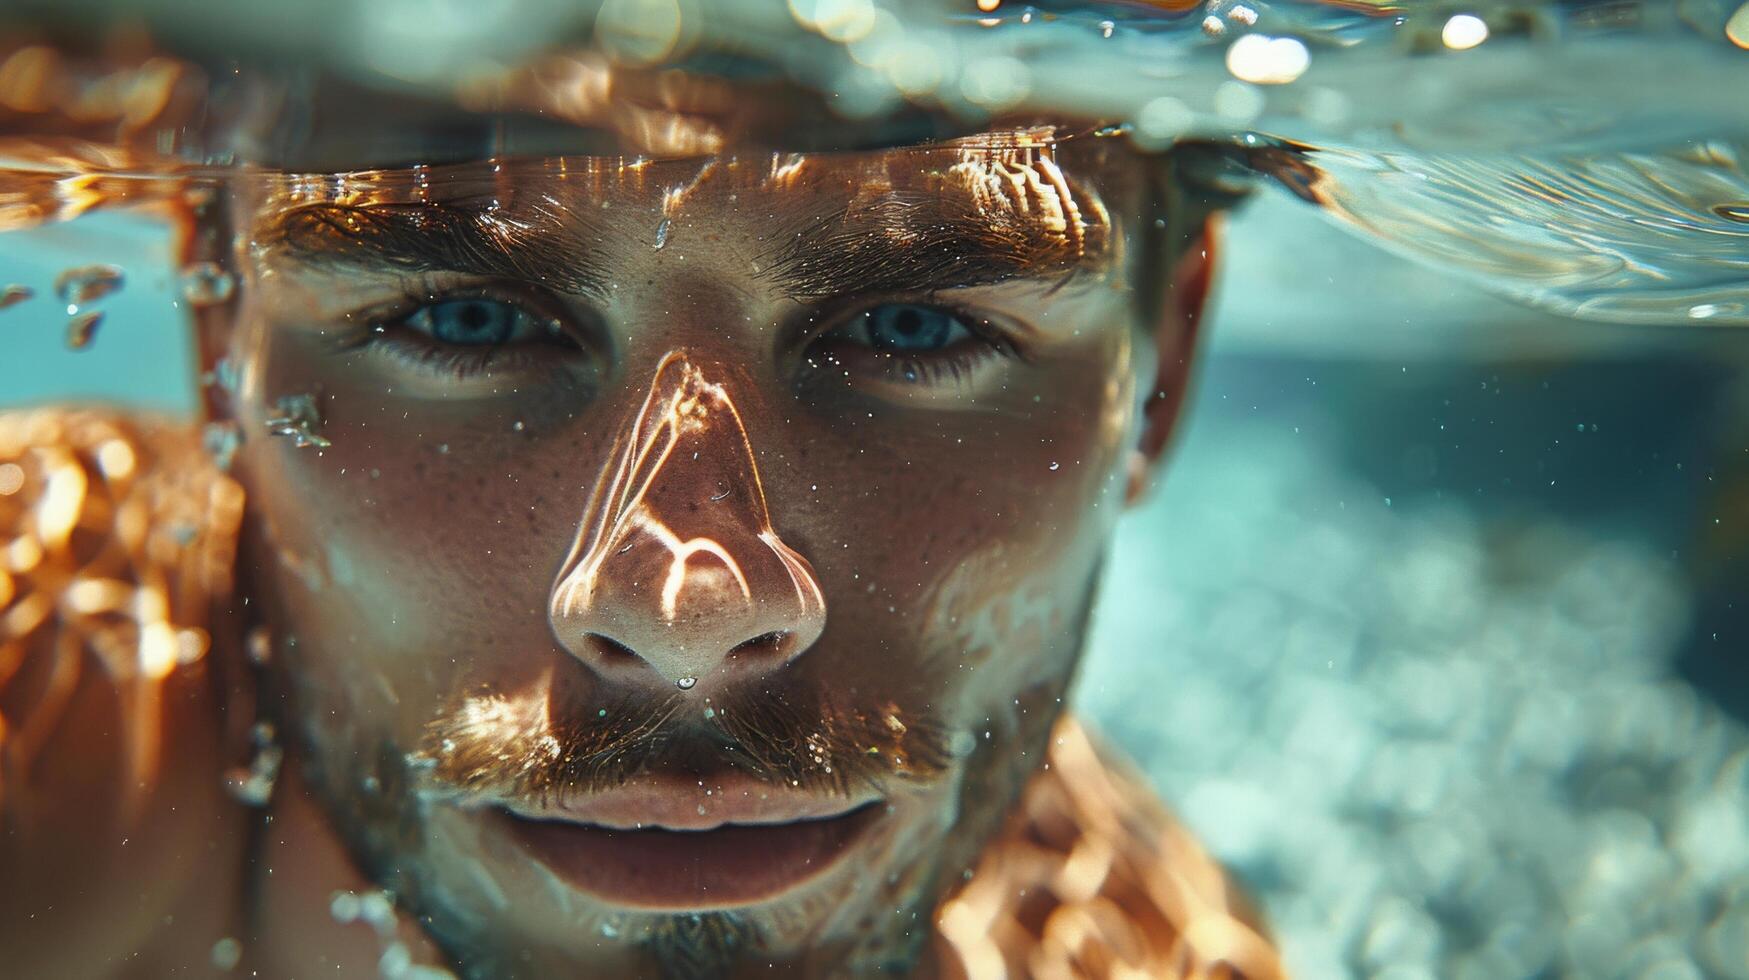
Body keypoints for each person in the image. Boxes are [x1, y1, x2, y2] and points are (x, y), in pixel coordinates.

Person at [0, 47, 1284, 979]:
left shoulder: (1135, 951)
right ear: (223, 339)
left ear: (1157, 368)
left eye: (914, 327)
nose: (687, 618)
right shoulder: (49, 694)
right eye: (470, 319)